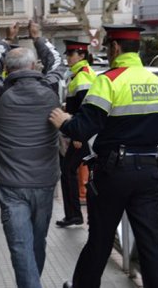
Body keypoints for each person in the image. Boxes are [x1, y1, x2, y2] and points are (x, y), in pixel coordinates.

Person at [49, 25, 158, 288]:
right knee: (150, 241)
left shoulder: (108, 80)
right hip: (150, 171)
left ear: (115, 48)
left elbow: (83, 127)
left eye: (106, 47)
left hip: (114, 172)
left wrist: (64, 121)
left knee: (101, 239)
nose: (106, 50)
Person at [0, 21, 65, 288]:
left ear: (7, 70)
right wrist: (38, 39)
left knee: (21, 247)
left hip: (10, 185)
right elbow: (60, 64)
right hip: (44, 182)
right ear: (34, 67)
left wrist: (6, 41)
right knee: (36, 243)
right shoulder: (53, 90)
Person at [56, 40, 96, 227]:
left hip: (82, 135)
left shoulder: (83, 77)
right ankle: (75, 215)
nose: (68, 57)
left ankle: (74, 215)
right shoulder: (78, 75)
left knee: (68, 170)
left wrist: (79, 137)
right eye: (67, 54)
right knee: (69, 170)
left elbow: (85, 110)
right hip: (80, 133)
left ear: (82, 55)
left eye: (71, 54)